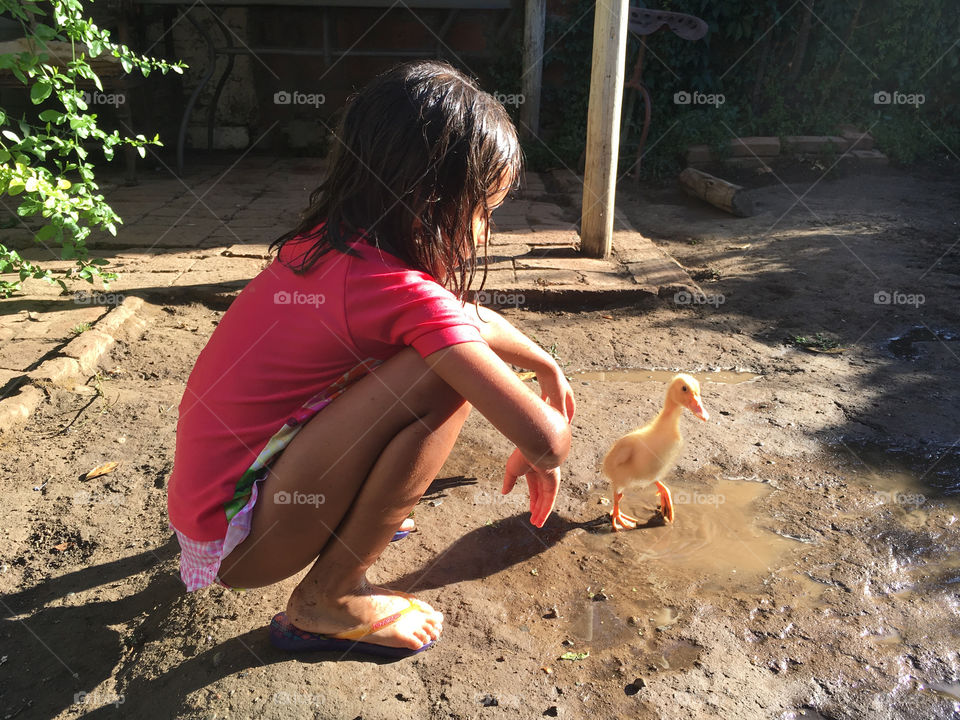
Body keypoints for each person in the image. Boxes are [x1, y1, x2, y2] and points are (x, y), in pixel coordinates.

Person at [166, 60, 575, 659]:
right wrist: (539, 443)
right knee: (442, 376)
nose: (485, 232)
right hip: (245, 544)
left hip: (213, 514)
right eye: (482, 211)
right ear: (430, 200)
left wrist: (544, 364)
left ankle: (350, 525)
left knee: (436, 353)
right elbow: (547, 440)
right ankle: (328, 599)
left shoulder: (327, 247)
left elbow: (458, 317)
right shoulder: (399, 292)